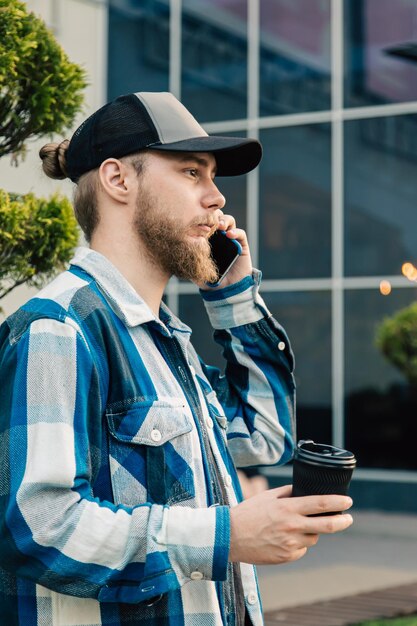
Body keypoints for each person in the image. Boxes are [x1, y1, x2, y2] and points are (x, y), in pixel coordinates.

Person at [0, 91, 353, 626]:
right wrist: (226, 535)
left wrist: (233, 297)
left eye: (213, 178)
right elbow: (39, 526)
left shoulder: (163, 340)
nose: (217, 198)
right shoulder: (60, 328)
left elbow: (264, 433)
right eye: (192, 172)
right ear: (119, 180)